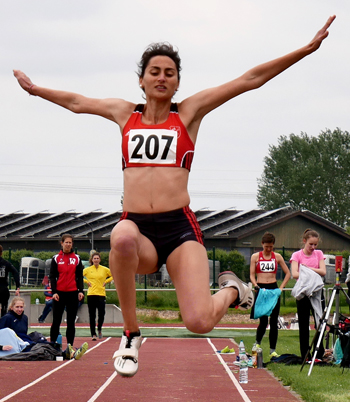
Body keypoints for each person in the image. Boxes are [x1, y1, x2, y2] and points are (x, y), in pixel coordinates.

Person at [13, 16, 335, 377]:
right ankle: (131, 333)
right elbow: (76, 101)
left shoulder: (189, 113)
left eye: (169, 72)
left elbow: (249, 80)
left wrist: (305, 51)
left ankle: (234, 290)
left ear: (178, 81)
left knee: (198, 322)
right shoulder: (124, 114)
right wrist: (36, 90)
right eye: (154, 71)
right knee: (119, 237)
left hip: (179, 228)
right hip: (138, 229)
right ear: (142, 80)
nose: (162, 77)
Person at [0, 296, 88, 360]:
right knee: (42, 349)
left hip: (26, 339)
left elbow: (24, 332)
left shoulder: (25, 318)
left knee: (40, 338)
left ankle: (66, 352)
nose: (19, 309)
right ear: (11, 307)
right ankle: (67, 354)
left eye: (21, 307)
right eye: (17, 307)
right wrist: (2, 347)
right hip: (18, 343)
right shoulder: (7, 318)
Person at [250, 232, 290, 358]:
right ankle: (257, 343)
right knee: (263, 321)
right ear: (262, 244)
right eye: (266, 246)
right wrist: (255, 284)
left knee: (274, 321)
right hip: (261, 289)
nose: (268, 249)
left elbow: (288, 273)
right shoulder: (255, 257)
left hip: (273, 289)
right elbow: (251, 274)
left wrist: (281, 288)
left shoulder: (277, 257)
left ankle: (272, 350)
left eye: (271, 247)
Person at [290, 229, 326, 361]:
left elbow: (323, 271)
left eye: (315, 245)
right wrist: (308, 273)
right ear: (304, 241)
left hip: (317, 292)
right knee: (304, 325)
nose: (313, 247)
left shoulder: (319, 254)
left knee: (320, 323)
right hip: (303, 293)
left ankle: (319, 352)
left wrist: (307, 270)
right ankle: (305, 354)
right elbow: (295, 273)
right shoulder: (297, 255)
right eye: (311, 244)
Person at [49, 234, 85, 347]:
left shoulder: (77, 258)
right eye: (66, 242)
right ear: (62, 243)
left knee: (71, 322)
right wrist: (54, 292)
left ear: (72, 244)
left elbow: (80, 276)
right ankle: (52, 344)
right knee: (56, 321)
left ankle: (70, 346)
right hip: (59, 294)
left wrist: (80, 291)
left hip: (72, 293)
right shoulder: (56, 258)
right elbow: (52, 276)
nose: (68, 244)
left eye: (70, 242)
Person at [83, 252, 113, 340]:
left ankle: (99, 328)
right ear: (92, 260)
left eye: (97, 258)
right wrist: (86, 282)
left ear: (99, 260)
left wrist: (106, 282)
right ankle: (93, 334)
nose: (96, 260)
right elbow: (78, 276)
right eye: (94, 258)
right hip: (91, 294)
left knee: (102, 313)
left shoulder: (104, 269)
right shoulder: (88, 269)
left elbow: (113, 275)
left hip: (101, 294)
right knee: (92, 315)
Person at [0, 244, 20, 317]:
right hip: (3, 289)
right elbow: (15, 272)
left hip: (3, 289)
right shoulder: (5, 263)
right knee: (4, 309)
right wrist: (17, 286)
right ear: (1, 253)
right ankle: (3, 325)